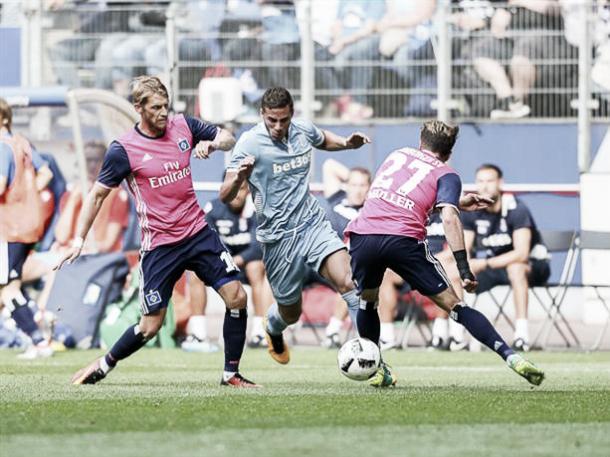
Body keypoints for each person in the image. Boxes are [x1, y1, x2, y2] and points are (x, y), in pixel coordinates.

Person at [56, 76, 259, 388]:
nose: (164, 113)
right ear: (139, 108)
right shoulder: (123, 150)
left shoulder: (184, 126)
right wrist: (79, 240)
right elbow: (97, 195)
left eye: (166, 106)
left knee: (237, 296)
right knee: (150, 326)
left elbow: (229, 137)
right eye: (156, 108)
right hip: (160, 246)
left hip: (197, 232)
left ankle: (230, 374)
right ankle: (104, 363)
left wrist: (213, 143)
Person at [346, 120, 545, 387]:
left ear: (421, 141)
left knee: (368, 302)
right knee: (456, 307)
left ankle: (377, 368)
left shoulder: (397, 155)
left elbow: (398, 195)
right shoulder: (446, 173)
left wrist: (453, 200)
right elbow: (449, 217)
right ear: (449, 152)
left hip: (364, 235)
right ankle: (511, 356)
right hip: (403, 240)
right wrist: (464, 269)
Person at [219, 87, 370, 368]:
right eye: (272, 120)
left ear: (292, 114)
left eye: (284, 120)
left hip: (312, 224)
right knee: (291, 312)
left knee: (350, 283)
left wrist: (347, 143)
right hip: (278, 240)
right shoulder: (250, 142)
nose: (278, 126)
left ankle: (372, 361)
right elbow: (225, 195)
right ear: (262, 114)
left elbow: (323, 139)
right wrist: (239, 177)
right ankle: (273, 328)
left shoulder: (302, 129)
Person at [459, 164, 550, 351]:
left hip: (533, 266)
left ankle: (521, 336)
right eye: (480, 181)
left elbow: (522, 253)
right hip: (497, 267)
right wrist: (465, 269)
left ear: (500, 183)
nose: (484, 186)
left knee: (515, 267)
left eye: (490, 181)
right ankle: (456, 336)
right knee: (455, 272)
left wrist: (484, 263)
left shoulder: (516, 208)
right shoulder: (472, 210)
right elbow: (464, 248)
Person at [185, 179, 273, 350]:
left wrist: (235, 261)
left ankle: (259, 333)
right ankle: (198, 334)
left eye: (241, 189)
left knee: (257, 267)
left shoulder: (257, 210)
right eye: (233, 188)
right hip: (219, 265)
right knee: (195, 271)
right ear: (224, 188)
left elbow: (259, 247)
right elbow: (202, 242)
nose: (237, 194)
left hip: (244, 267)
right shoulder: (213, 209)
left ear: (248, 191)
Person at [0, 97, 54, 359]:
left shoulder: (1, 147)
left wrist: (19, 198)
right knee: (11, 284)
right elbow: (46, 173)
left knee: (7, 288)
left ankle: (38, 339)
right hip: (27, 223)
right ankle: (40, 326)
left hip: (9, 227)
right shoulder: (21, 143)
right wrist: (28, 195)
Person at [319, 163, 372, 348]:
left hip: (353, 269)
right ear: (346, 184)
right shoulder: (337, 200)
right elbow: (329, 166)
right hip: (324, 263)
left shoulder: (372, 211)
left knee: (351, 276)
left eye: (362, 185)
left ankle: (333, 331)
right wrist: (353, 178)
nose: (357, 190)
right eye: (353, 185)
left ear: (370, 188)